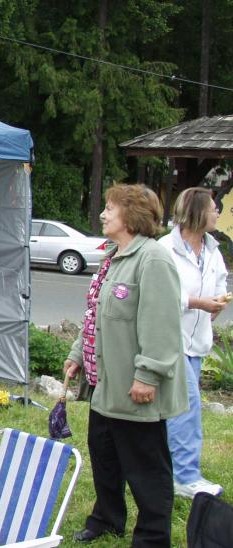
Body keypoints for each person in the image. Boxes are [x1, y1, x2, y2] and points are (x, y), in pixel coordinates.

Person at [63, 184, 187, 547]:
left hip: (136, 388)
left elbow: (162, 326)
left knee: (146, 467)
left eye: (110, 209)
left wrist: (147, 375)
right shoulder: (114, 257)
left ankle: (151, 536)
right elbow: (95, 317)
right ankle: (107, 519)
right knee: (105, 457)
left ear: (131, 216)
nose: (103, 215)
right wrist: (76, 355)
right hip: (107, 386)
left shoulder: (153, 260)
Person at [159, 187, 227, 499]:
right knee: (187, 406)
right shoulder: (165, 249)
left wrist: (219, 301)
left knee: (173, 409)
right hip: (169, 340)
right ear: (197, 212)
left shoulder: (213, 249)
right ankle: (186, 476)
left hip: (197, 342)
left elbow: (220, 280)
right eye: (214, 208)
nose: (218, 213)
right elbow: (160, 295)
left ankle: (165, 468)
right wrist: (199, 303)